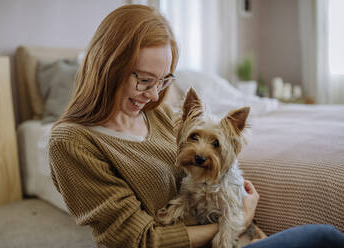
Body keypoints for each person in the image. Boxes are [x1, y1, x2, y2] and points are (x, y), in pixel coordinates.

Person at [49, 4, 344, 248]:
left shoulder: (158, 115)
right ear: (109, 65)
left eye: (163, 81)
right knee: (324, 238)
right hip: (214, 239)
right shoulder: (73, 142)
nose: (153, 95)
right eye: (143, 80)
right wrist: (236, 218)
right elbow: (139, 240)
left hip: (225, 235)